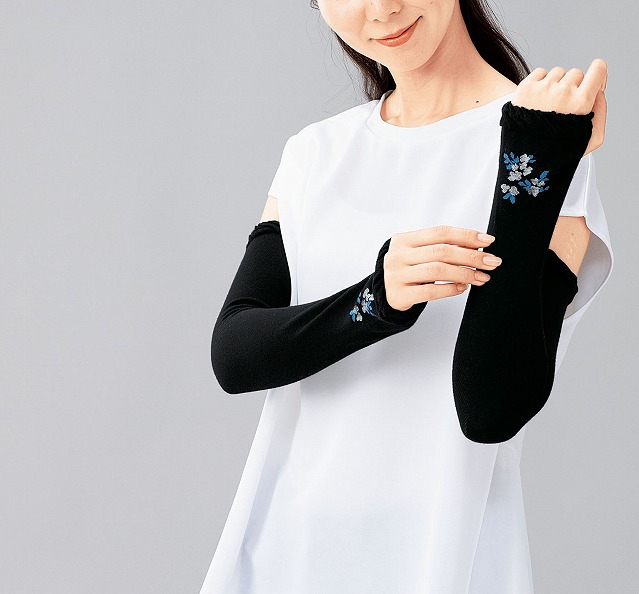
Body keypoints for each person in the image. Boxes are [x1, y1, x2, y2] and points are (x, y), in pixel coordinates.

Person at [200, 0, 614, 592]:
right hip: (282, 550)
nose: (382, 8)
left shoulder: (540, 143)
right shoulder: (315, 153)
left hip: (443, 556)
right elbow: (235, 354)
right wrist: (377, 300)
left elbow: (493, 407)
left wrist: (536, 151)